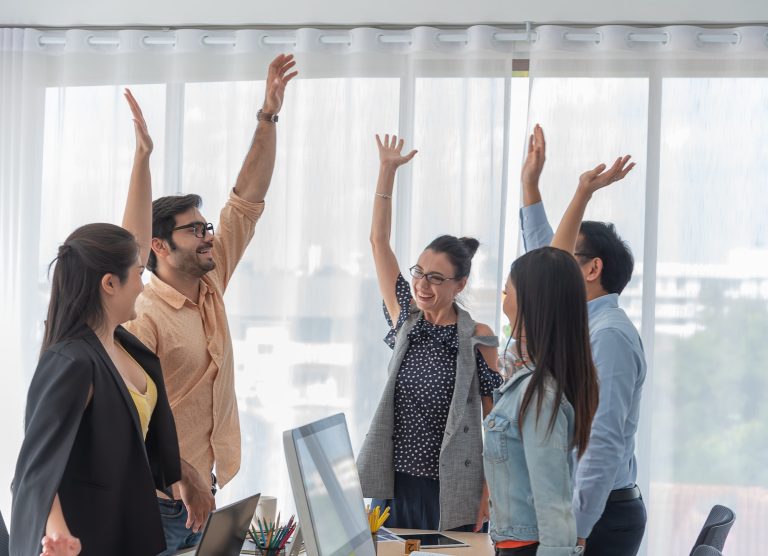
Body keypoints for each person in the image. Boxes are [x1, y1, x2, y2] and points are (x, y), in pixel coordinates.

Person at [122, 54, 298, 555]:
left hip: (204, 494)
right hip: (161, 503)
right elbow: (129, 417)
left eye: (207, 228)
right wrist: (184, 474)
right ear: (158, 245)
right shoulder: (142, 315)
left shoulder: (211, 278)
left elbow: (247, 199)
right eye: (194, 230)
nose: (207, 237)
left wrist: (268, 116)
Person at [10, 90, 181, 556]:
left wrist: (143, 159)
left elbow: (135, 242)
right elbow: (35, 467)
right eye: (135, 277)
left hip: (131, 529)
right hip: (88, 542)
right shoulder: (72, 361)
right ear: (109, 283)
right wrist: (57, 534)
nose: (143, 286)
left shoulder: (117, 343)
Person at [356, 134, 503, 532]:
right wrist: (386, 172)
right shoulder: (406, 318)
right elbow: (378, 242)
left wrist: (489, 494)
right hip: (392, 485)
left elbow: (496, 424)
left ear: (460, 283)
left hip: (452, 487)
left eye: (436, 278)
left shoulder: (479, 337)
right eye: (419, 272)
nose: (422, 284)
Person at [520, 125, 647, 555]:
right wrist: (530, 186)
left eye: (568, 257)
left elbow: (602, 440)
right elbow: (547, 257)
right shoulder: (581, 326)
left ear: (592, 269)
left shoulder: (608, 336)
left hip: (601, 518)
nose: (552, 267)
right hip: (586, 511)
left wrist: (578, 527)